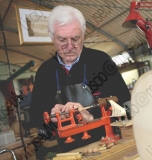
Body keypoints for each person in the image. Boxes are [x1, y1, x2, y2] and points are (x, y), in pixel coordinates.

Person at [28, 5, 130, 159]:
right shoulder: (45, 72)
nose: (69, 47)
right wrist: (50, 116)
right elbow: (35, 115)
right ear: (51, 37)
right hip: (69, 153)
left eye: (75, 38)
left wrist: (92, 115)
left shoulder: (101, 61)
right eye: (62, 40)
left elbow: (125, 103)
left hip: (107, 146)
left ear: (83, 34)